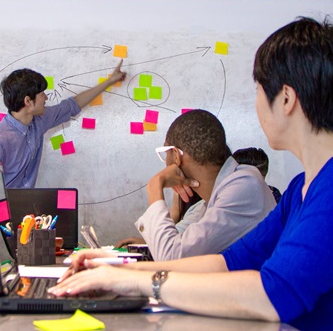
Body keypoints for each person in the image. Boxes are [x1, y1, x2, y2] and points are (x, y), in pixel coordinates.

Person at [49, 17, 333, 330]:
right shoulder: (300, 190)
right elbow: (228, 263)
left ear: (287, 99)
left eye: (258, 90)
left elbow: (272, 295)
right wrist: (117, 273)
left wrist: (143, 282)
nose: (256, 103)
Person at [0, 60, 126, 240]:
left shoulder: (38, 122)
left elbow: (72, 105)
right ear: (28, 101)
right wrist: (5, 208)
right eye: (42, 94)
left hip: (21, 218)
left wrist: (110, 81)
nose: (46, 98)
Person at [114, 110, 276, 261]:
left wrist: (154, 186)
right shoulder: (219, 194)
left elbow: (170, 256)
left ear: (176, 156)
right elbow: (182, 244)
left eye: (166, 152)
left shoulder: (243, 185)